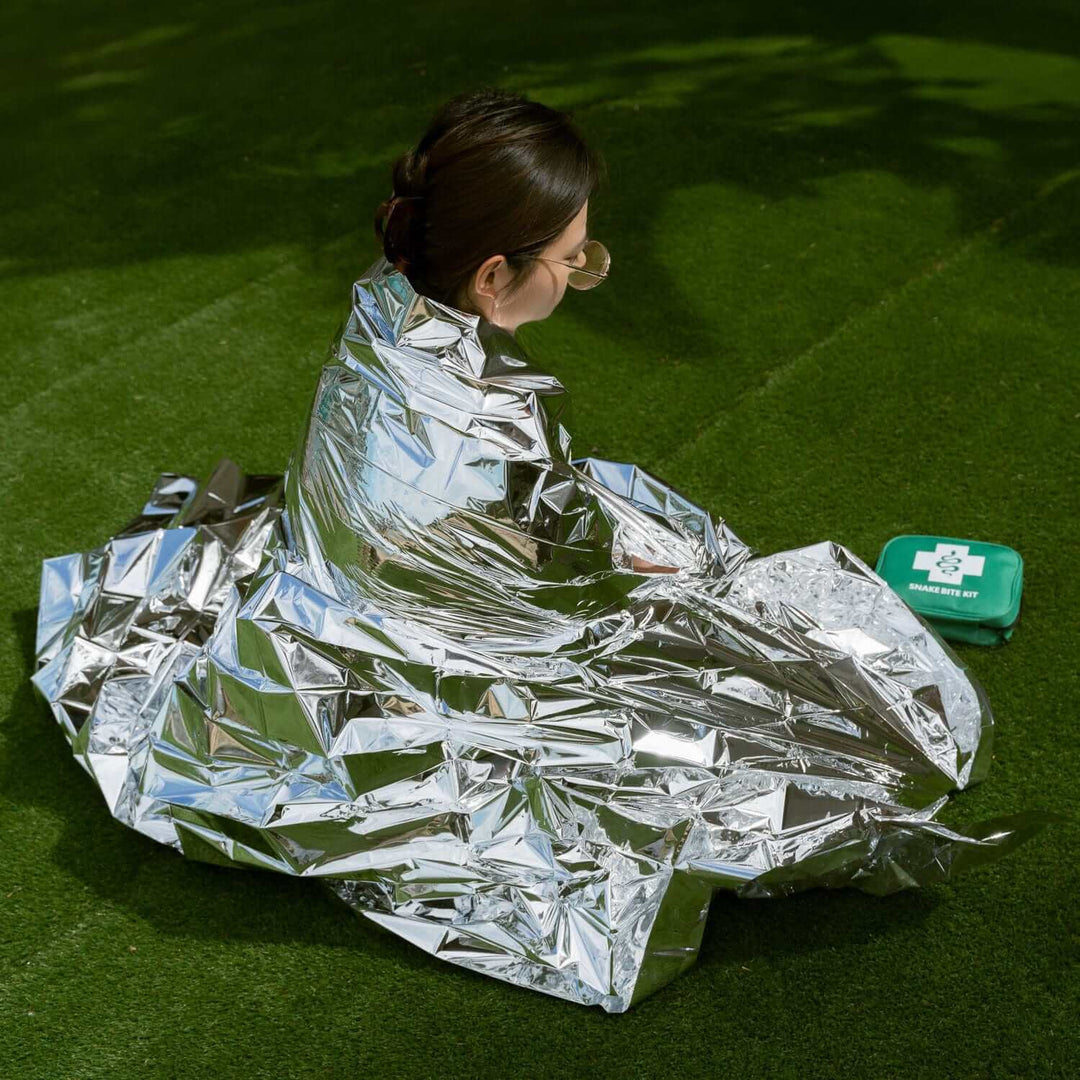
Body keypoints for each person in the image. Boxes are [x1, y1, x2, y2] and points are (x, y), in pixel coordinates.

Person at [30, 87, 1059, 1014]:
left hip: (345, 572)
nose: (581, 274)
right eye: (573, 261)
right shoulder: (487, 439)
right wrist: (666, 570)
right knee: (759, 698)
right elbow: (569, 593)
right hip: (414, 630)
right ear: (493, 274)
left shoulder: (385, 306)